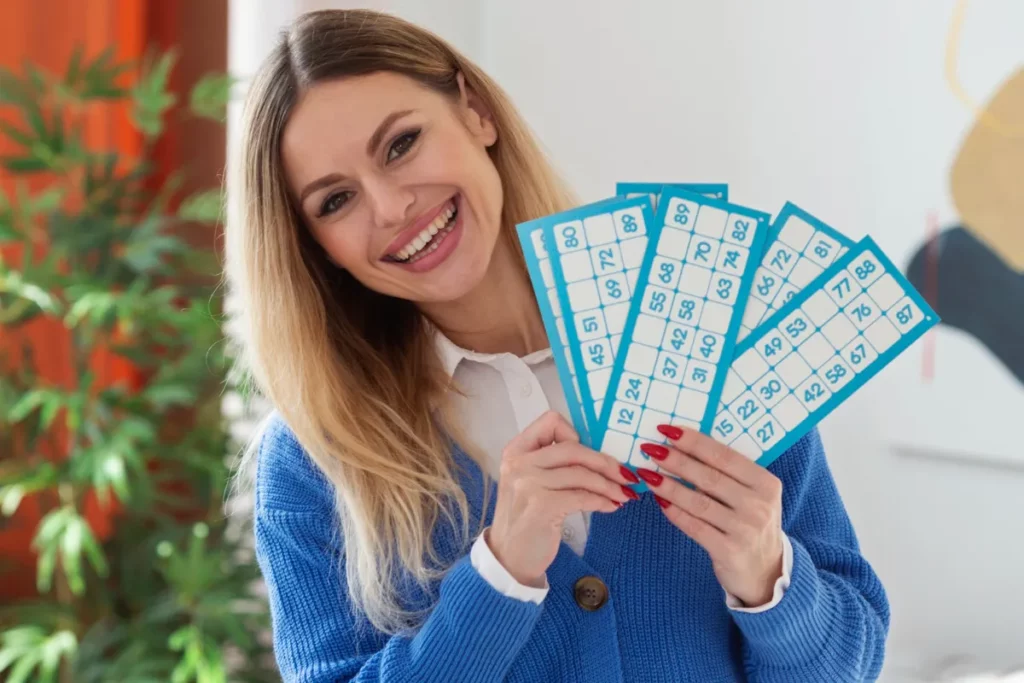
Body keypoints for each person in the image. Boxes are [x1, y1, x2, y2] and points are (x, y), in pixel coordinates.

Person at [226, 8, 890, 682]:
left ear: (476, 112)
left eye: (401, 145)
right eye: (335, 200)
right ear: (316, 247)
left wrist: (767, 573)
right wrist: (499, 574)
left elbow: (849, 664)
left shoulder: (708, 338)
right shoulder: (313, 459)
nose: (391, 207)